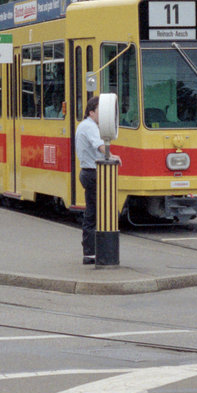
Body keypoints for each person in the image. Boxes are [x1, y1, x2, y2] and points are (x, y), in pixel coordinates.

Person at [74, 95, 121, 266]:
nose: (104, 116)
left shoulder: (84, 125)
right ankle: (91, 253)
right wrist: (111, 155)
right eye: (101, 112)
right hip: (93, 173)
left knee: (93, 212)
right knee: (94, 213)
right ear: (92, 112)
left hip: (88, 172)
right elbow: (99, 145)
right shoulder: (91, 127)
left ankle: (91, 251)